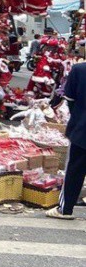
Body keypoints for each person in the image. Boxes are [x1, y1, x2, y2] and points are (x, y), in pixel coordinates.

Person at [47, 60, 86, 219]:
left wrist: (78, 116)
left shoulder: (79, 69)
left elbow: (69, 100)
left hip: (82, 129)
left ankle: (65, 209)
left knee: (74, 170)